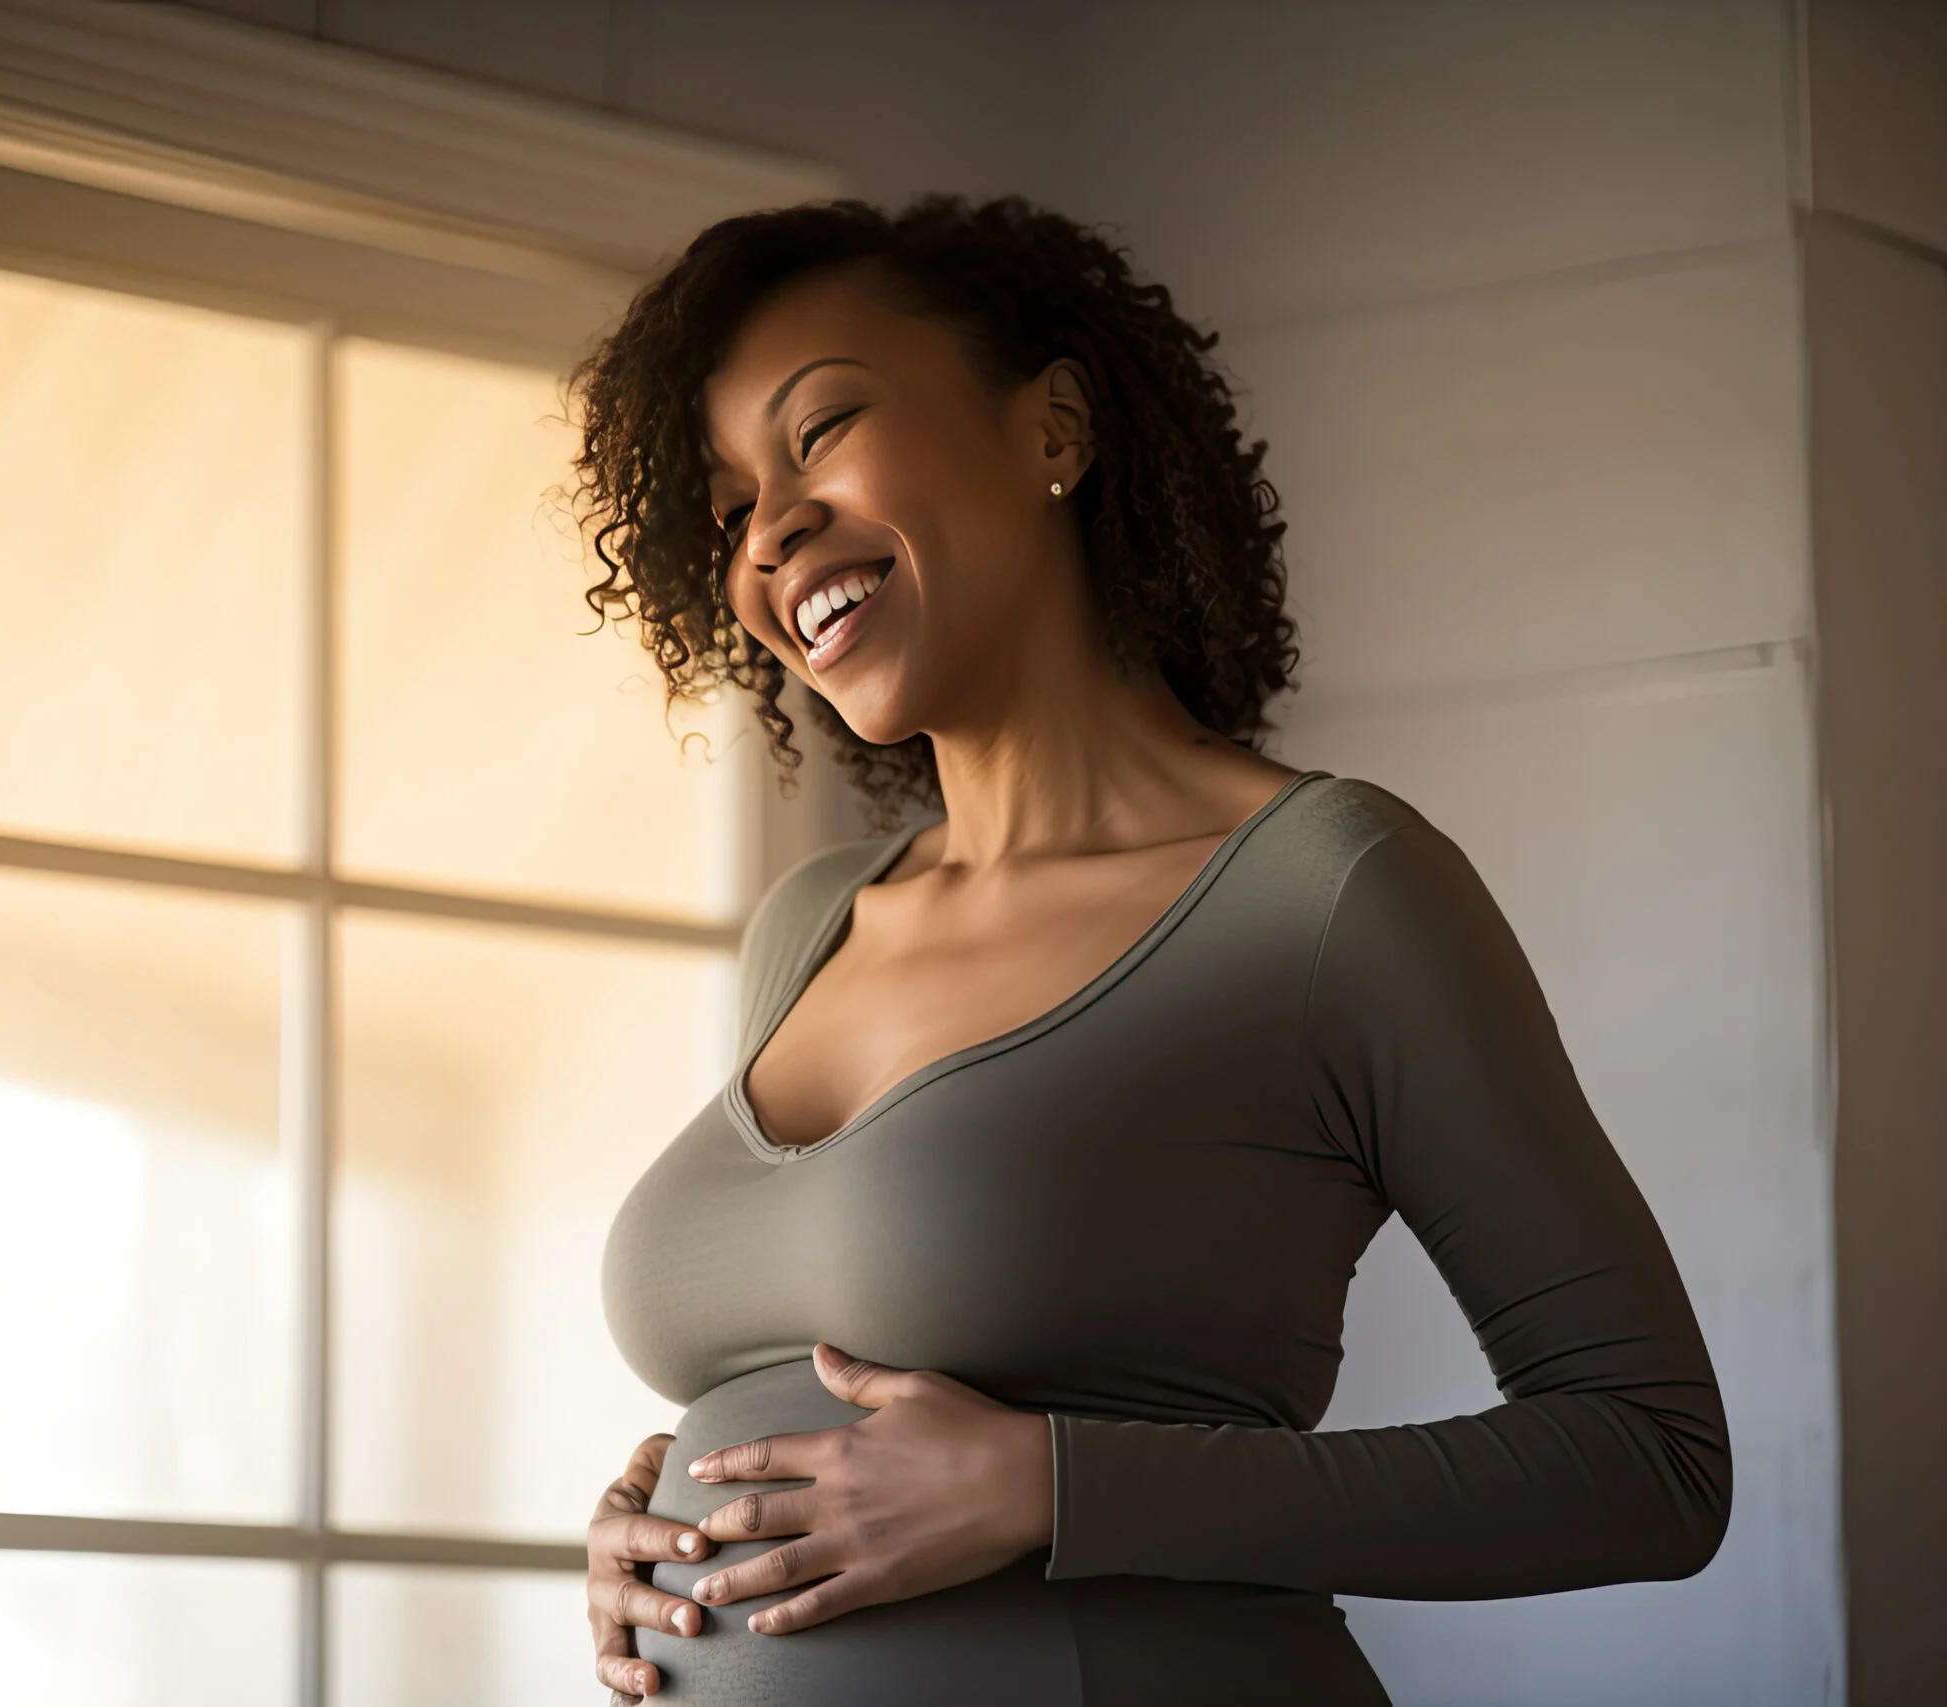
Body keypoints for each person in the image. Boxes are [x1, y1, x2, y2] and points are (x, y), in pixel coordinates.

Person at [569, 196, 1731, 1706]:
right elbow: (829, 1378)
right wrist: (665, 1524)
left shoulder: (1329, 889)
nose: (768, 530)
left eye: (824, 429)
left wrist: (1056, 1486)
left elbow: (1650, 1456)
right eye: (729, 508)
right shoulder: (812, 926)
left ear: (1053, 424)